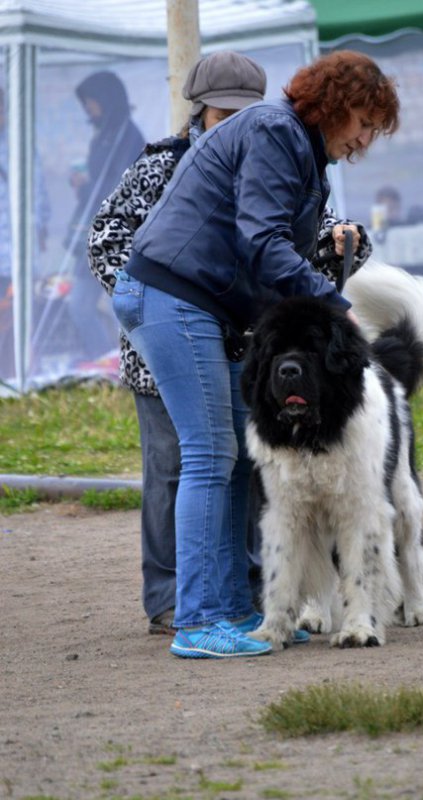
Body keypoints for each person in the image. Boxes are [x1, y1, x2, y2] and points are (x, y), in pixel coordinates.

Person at [112, 50, 399, 659]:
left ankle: (235, 609)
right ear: (338, 106)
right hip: (172, 293)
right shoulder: (275, 131)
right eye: (365, 124)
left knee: (240, 458)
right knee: (210, 454)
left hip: (200, 300)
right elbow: (263, 240)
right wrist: (336, 307)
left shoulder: (302, 150)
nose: (366, 140)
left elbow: (272, 252)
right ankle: (196, 621)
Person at [88, 51, 268, 634]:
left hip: (239, 350)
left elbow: (312, 234)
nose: (233, 125)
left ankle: (245, 589)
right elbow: (106, 238)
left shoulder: (270, 167)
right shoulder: (159, 165)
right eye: (222, 114)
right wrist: (157, 309)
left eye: (245, 115)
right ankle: (169, 598)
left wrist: (347, 239)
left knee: (245, 467)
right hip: (162, 352)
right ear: (198, 111)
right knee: (171, 470)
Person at [65, 71, 145, 363]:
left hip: (116, 237)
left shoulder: (128, 136)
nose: (88, 108)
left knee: (116, 307)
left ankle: (123, 364)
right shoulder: (104, 135)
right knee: (80, 305)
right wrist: (83, 184)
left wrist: (87, 186)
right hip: (94, 234)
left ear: (106, 99)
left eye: (91, 101)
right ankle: (106, 362)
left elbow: (121, 188)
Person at [0, 86, 50, 380]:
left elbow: (39, 192)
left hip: (17, 255)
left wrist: (40, 228)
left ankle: (16, 375)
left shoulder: (19, 145)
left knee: (17, 319)